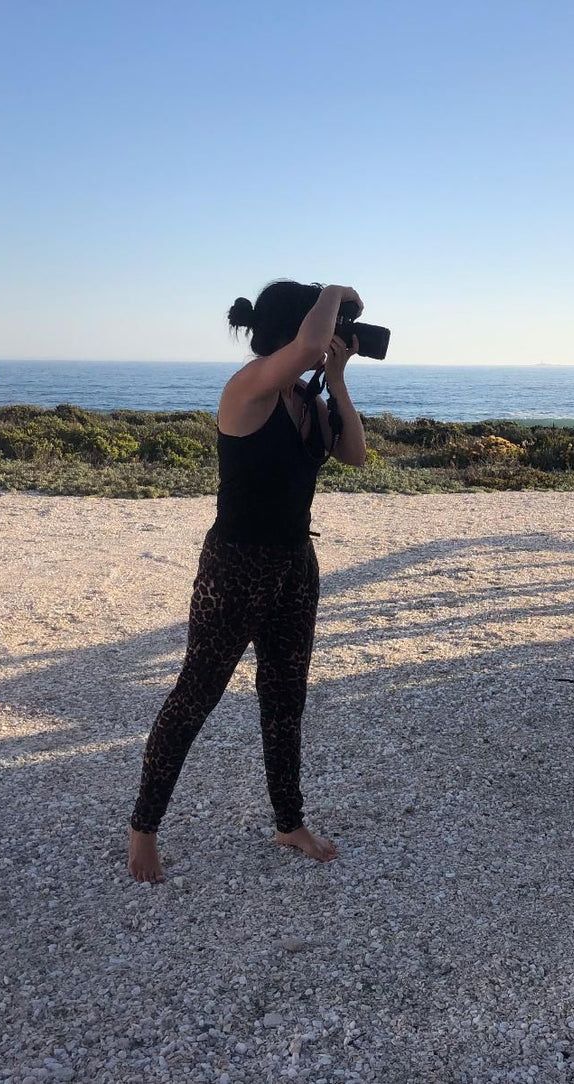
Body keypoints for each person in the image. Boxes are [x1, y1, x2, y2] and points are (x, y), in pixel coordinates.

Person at [128, 281, 369, 882]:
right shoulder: (248, 387)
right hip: (235, 566)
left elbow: (356, 456)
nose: (329, 338)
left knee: (285, 701)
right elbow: (308, 339)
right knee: (195, 696)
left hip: (294, 565)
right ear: (297, 329)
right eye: (323, 327)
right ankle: (143, 830)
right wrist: (334, 291)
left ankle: (288, 822)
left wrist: (337, 380)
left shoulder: (307, 401)